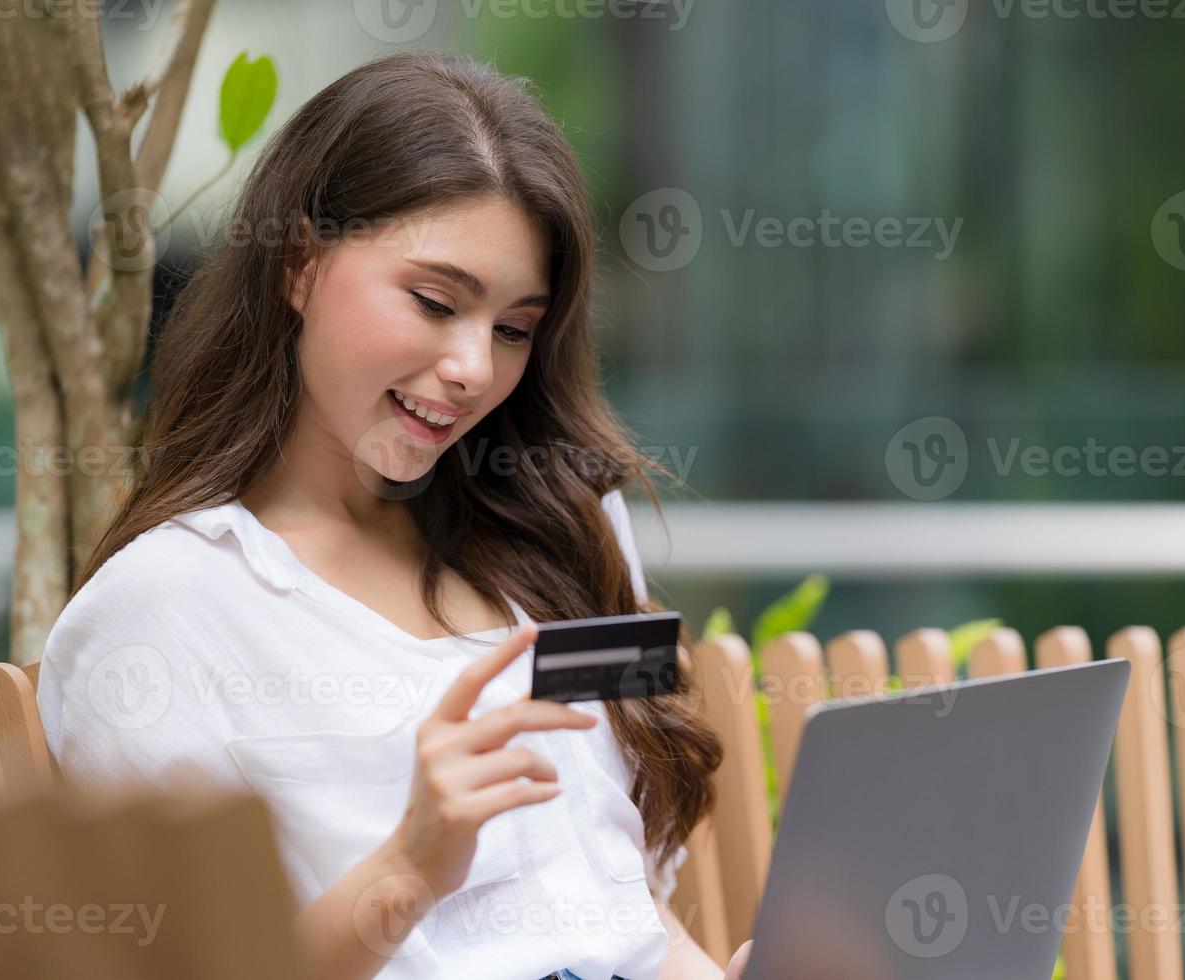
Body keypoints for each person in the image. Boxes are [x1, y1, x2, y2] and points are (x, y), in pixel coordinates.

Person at [37, 48, 752, 980]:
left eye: (513, 329)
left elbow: (633, 905)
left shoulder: (566, 528)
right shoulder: (165, 607)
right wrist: (407, 869)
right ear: (298, 262)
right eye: (434, 301)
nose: (473, 368)